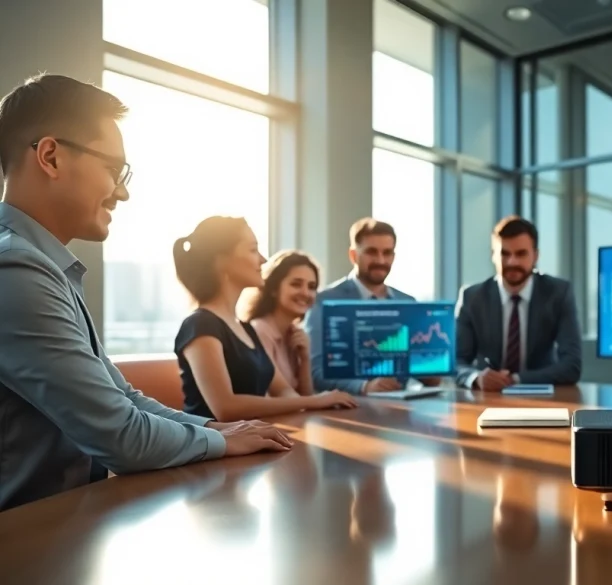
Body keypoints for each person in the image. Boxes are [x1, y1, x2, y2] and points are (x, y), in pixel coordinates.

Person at [0, 74, 291, 511]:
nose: (123, 192)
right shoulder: (18, 269)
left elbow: (125, 400)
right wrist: (218, 439)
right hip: (26, 542)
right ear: (51, 157)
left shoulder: (45, 267)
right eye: (113, 169)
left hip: (63, 523)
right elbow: (121, 436)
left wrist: (220, 429)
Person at [173, 216, 357, 421]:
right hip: (214, 448)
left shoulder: (245, 329)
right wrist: (315, 400)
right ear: (221, 261)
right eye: (253, 250)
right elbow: (225, 408)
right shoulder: (200, 324)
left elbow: (285, 392)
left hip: (252, 442)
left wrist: (311, 397)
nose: (263, 260)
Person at [306, 217, 443, 394]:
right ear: (353, 255)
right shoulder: (323, 302)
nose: (381, 260)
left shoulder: (408, 303)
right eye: (372, 252)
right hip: (347, 409)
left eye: (387, 253)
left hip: (402, 410)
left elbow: (424, 373)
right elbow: (316, 371)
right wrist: (364, 387)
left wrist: (431, 371)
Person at [455, 216, 582, 391]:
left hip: (544, 398)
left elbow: (572, 365)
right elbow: (456, 361)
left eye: (521, 254)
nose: (512, 262)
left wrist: (515, 379)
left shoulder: (558, 293)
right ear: (493, 255)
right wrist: (475, 377)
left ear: (535, 255)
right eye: (504, 254)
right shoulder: (472, 297)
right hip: (488, 397)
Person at [243, 250, 320, 395]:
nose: (305, 293)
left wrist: (305, 360)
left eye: (311, 287)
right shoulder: (259, 331)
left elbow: (306, 397)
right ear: (273, 289)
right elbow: (277, 397)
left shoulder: (294, 334)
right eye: (296, 284)